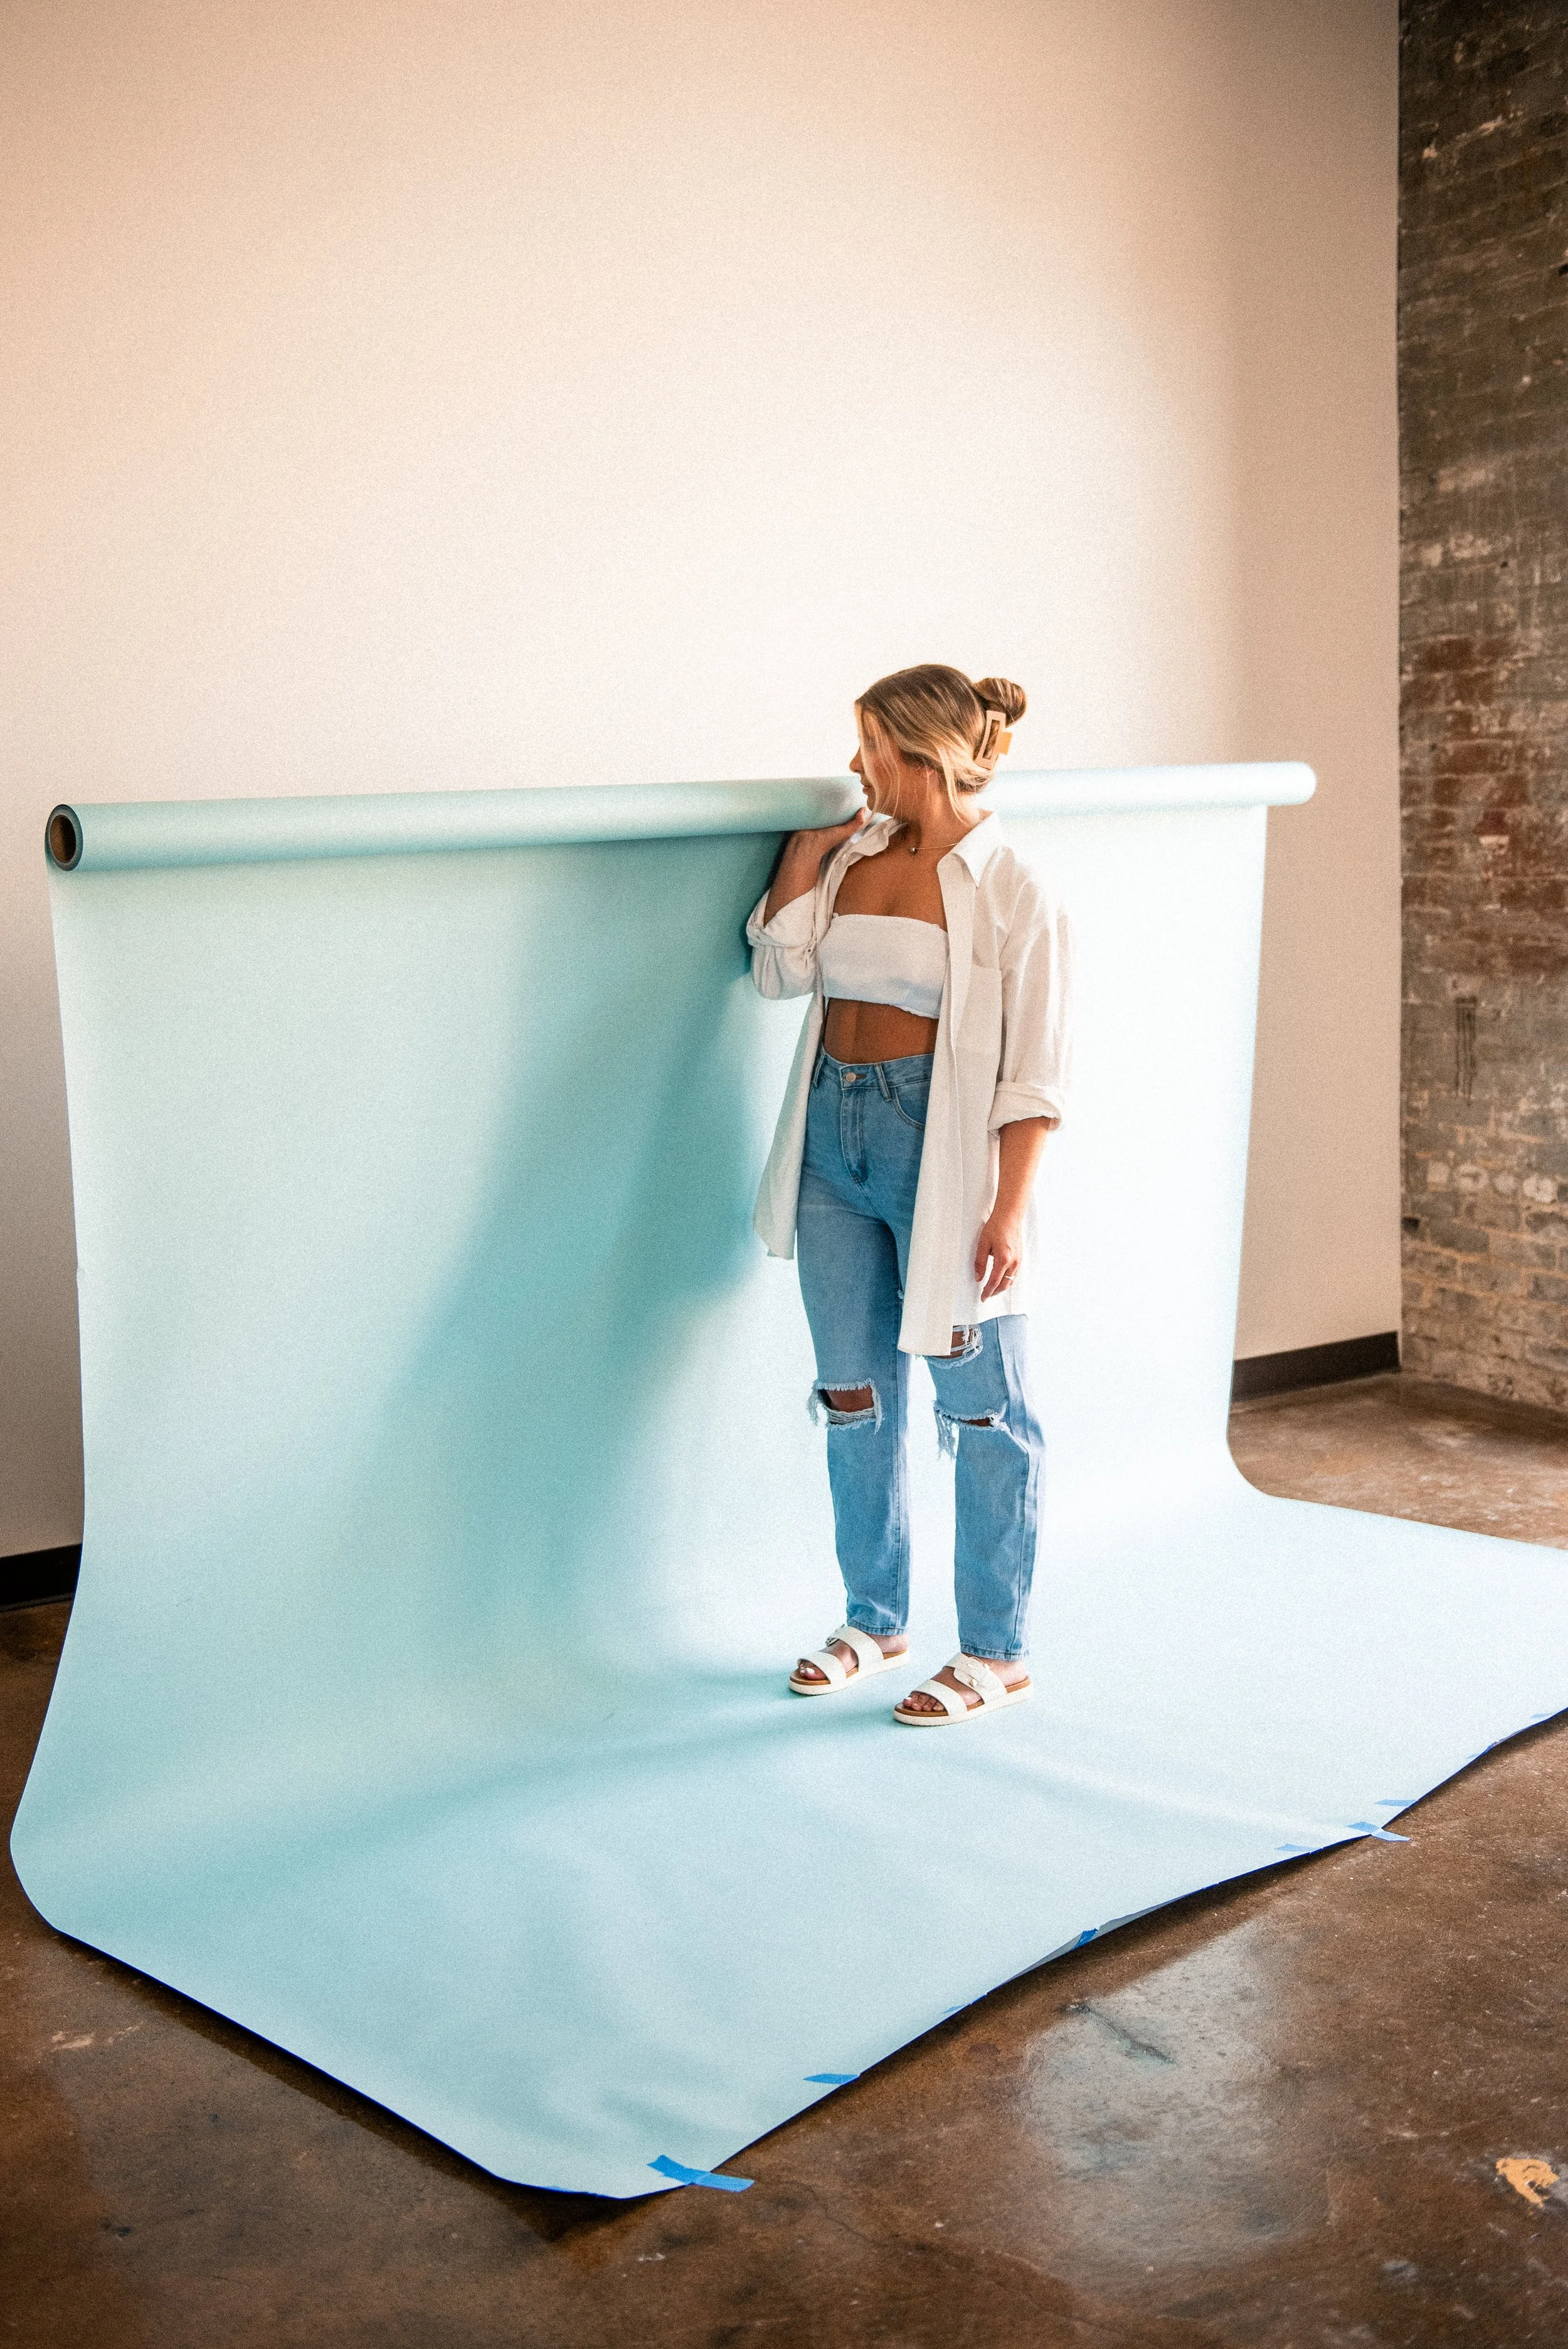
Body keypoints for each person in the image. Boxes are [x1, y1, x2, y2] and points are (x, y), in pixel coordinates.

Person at [747, 665, 1071, 1726]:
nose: (853, 769)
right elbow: (781, 974)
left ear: (918, 757)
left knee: (983, 1409)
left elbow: (1037, 1072)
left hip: (943, 1156)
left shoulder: (1014, 883)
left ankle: (996, 1650)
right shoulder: (860, 856)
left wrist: (1008, 1210)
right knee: (853, 1395)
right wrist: (807, 856)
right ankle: (875, 1618)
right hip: (832, 1152)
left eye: (868, 750)